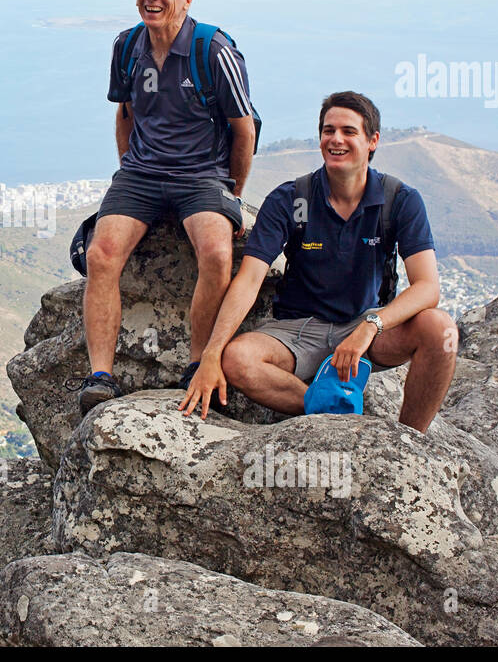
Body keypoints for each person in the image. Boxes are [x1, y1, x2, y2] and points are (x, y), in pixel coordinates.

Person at [179, 90, 456, 432]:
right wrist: (211, 353)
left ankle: (410, 439)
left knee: (441, 329)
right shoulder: (290, 198)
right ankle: (331, 406)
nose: (335, 139)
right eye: (328, 130)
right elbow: (249, 280)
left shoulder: (398, 200)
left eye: (348, 131)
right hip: (300, 331)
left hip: (367, 326)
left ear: (372, 141)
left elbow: (428, 287)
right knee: (237, 359)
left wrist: (370, 326)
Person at [74, 0, 257, 416]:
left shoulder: (211, 49)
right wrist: (127, 171)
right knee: (101, 253)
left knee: (216, 255)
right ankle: (100, 377)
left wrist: (233, 191)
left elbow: (243, 127)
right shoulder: (127, 45)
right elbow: (125, 112)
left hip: (202, 176)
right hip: (142, 174)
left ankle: (197, 364)